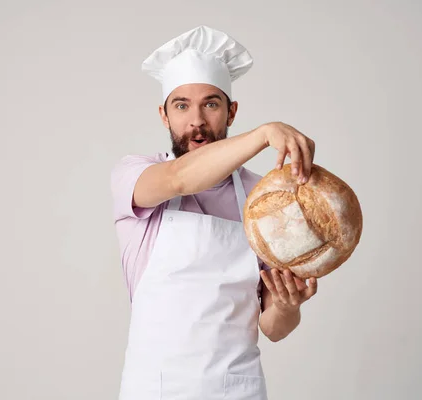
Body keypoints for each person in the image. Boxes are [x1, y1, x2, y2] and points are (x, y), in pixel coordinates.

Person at [110, 25, 318, 400]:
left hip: (236, 390)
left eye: (211, 103)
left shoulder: (264, 197)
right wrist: (264, 134)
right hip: (154, 390)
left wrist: (288, 306)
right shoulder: (137, 175)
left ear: (231, 111)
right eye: (181, 105)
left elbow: (274, 326)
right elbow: (179, 179)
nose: (197, 121)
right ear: (163, 115)